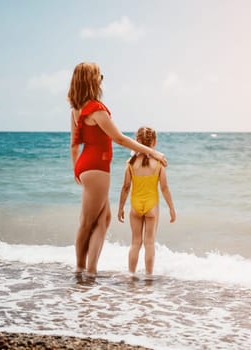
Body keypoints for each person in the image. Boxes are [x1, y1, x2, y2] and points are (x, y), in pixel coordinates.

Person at [68, 62, 167, 279]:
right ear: (91, 80)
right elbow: (120, 139)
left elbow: (74, 144)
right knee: (87, 222)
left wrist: (77, 169)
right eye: (99, 76)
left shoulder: (77, 109)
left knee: (103, 219)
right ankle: (81, 269)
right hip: (97, 168)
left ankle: (89, 270)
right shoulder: (96, 109)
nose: (101, 79)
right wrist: (155, 153)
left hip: (86, 166)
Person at [117, 126, 176, 275]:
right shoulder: (159, 164)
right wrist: (171, 208)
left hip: (135, 207)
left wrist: (121, 208)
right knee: (149, 243)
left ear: (137, 141)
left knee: (135, 243)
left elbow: (125, 187)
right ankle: (149, 276)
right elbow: (164, 188)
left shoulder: (130, 163)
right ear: (154, 142)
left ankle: (131, 274)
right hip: (152, 207)